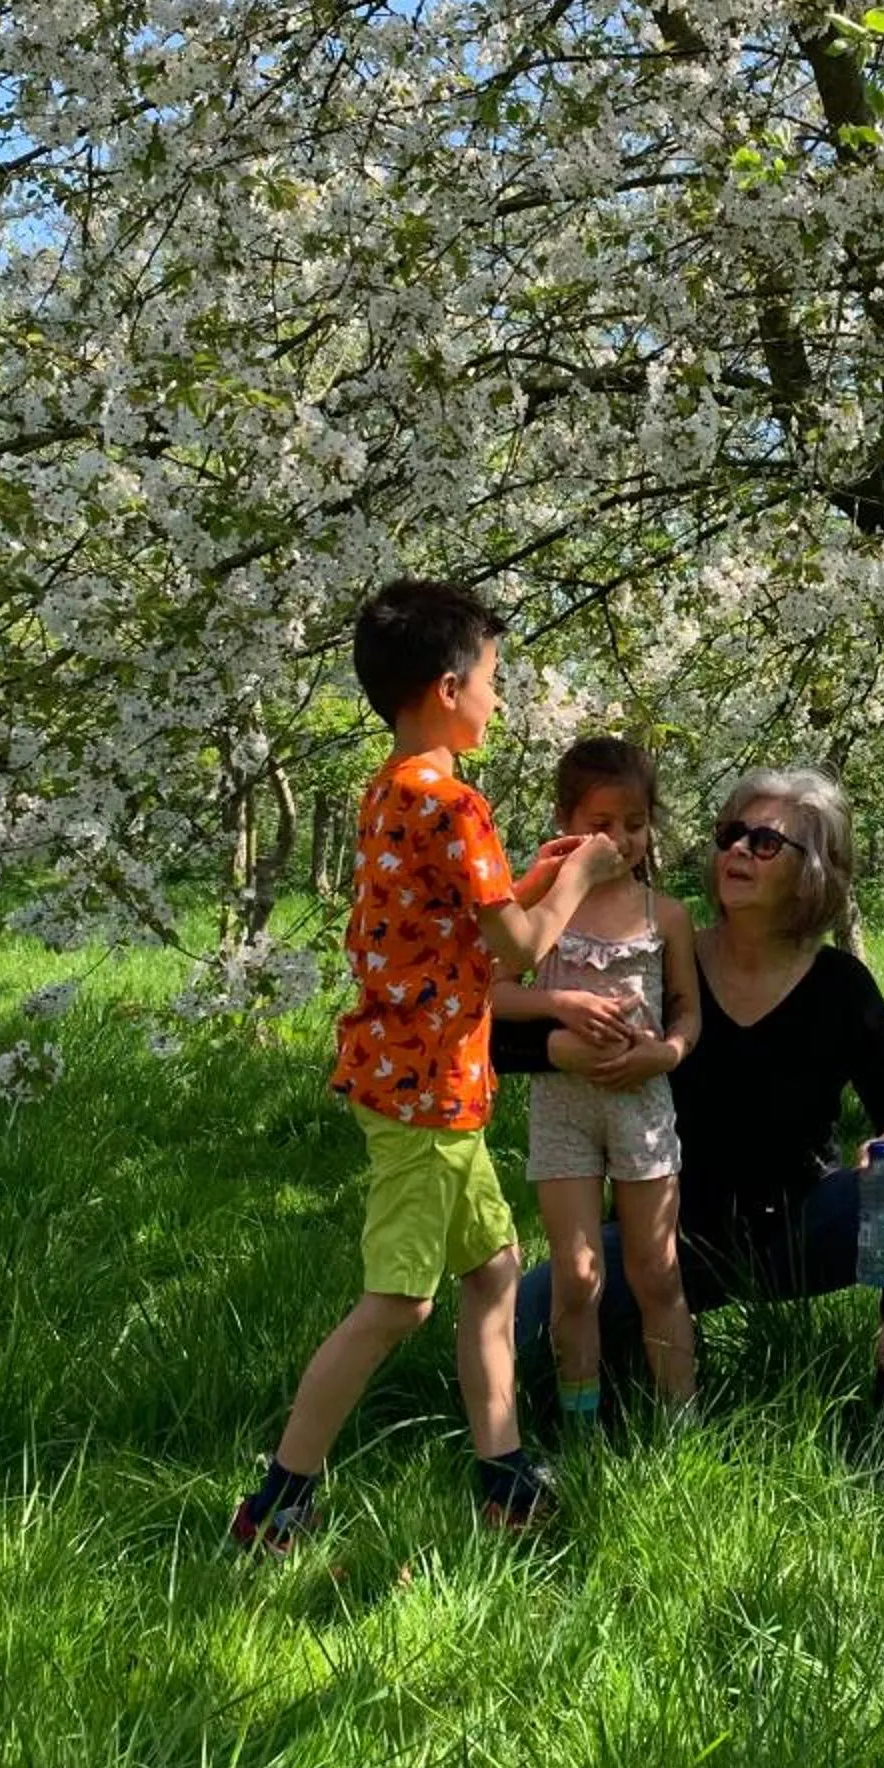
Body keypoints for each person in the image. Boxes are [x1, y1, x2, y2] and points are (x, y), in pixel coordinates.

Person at [228, 580, 627, 1553]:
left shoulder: (393, 788)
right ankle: (278, 1502)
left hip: (416, 1074)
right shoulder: (450, 799)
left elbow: (464, 934)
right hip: (424, 1092)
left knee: (493, 1271)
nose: (499, 698)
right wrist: (583, 871)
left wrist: (536, 870)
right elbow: (524, 949)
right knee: (399, 1301)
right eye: (493, 679)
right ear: (449, 687)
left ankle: (504, 1479)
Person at [497, 766, 884, 1391]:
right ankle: (621, 1393)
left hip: (800, 1228)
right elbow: (493, 1037)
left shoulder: (841, 986)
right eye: (731, 835)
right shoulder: (660, 952)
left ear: (810, 870)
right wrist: (561, 1048)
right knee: (523, 1328)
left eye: (765, 843)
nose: (738, 849)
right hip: (666, 1235)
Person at [492, 736, 702, 1426]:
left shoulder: (664, 915)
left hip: (642, 1107)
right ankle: (578, 1419)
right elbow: (492, 993)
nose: (619, 840)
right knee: (577, 1277)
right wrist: (561, 1003)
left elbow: (687, 1015)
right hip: (562, 1109)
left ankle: (680, 1421)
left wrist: (665, 1055)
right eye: (599, 825)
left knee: (656, 1271)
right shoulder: (543, 908)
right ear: (566, 823)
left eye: (635, 824)